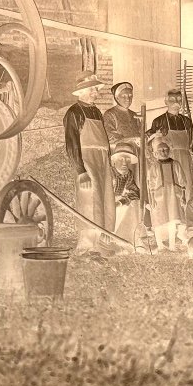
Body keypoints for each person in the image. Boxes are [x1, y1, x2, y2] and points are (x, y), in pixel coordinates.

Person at [63, 73, 117, 254]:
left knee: (104, 199)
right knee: (88, 200)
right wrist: (80, 170)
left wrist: (108, 164)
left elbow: (104, 141)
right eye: (93, 89)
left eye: (96, 89)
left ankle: (102, 242)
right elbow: (72, 143)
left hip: (102, 161)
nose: (96, 92)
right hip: (87, 160)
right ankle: (86, 244)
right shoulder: (74, 112)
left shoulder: (96, 112)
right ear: (82, 91)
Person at [149, 88, 193, 196]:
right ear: (166, 102)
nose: (176, 102)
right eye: (172, 99)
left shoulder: (187, 121)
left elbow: (192, 141)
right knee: (171, 188)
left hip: (185, 158)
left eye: (179, 99)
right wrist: (155, 135)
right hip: (168, 158)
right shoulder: (159, 120)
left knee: (187, 187)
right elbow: (148, 140)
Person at [145, 132, 187, 252]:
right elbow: (151, 184)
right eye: (160, 150)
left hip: (174, 196)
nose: (163, 152)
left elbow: (182, 181)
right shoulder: (155, 166)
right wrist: (152, 199)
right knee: (159, 219)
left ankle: (172, 245)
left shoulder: (176, 164)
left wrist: (183, 196)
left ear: (170, 150)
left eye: (165, 149)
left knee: (173, 220)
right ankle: (160, 245)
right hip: (160, 197)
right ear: (156, 153)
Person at [109, 140, 142, 245]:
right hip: (107, 203)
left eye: (127, 159)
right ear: (114, 161)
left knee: (127, 208)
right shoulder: (109, 173)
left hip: (119, 202)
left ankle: (117, 239)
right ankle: (106, 239)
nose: (124, 163)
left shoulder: (128, 174)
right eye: (121, 159)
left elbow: (135, 192)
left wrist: (122, 201)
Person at [103, 81, 142, 148]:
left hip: (136, 150)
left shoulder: (134, 114)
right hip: (119, 151)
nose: (128, 99)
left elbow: (140, 133)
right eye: (123, 96)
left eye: (130, 96)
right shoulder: (110, 114)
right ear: (117, 98)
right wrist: (130, 140)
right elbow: (109, 135)